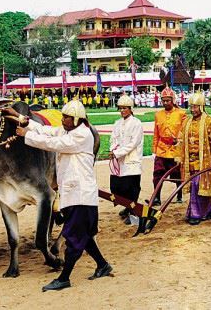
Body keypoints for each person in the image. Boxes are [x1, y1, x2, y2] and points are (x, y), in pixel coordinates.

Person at [14, 100, 112, 291]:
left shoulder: (82, 135)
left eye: (66, 118)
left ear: (76, 119)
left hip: (81, 195)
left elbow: (54, 143)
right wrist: (27, 123)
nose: (63, 120)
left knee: (74, 239)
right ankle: (102, 265)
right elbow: (49, 131)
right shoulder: (69, 130)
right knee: (84, 236)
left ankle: (64, 277)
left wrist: (27, 135)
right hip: (74, 194)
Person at [175, 91, 211, 225]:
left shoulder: (210, 122)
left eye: (195, 107)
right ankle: (208, 210)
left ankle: (196, 214)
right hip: (189, 161)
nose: (193, 109)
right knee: (194, 186)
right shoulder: (186, 122)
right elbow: (180, 140)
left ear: (202, 106)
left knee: (198, 185)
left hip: (205, 160)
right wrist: (178, 156)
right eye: (191, 106)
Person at [109, 94, 144, 225]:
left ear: (130, 108)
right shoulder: (117, 123)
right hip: (119, 161)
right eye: (120, 108)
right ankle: (127, 207)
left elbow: (133, 143)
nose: (122, 110)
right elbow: (113, 139)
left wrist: (117, 152)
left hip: (131, 162)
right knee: (117, 187)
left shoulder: (136, 123)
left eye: (125, 108)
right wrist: (113, 149)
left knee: (131, 188)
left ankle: (133, 213)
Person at [152, 86, 186, 205]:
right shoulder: (158, 114)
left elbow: (184, 130)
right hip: (161, 148)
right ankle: (156, 197)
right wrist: (154, 149)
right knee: (157, 173)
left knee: (177, 173)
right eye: (163, 101)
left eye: (168, 100)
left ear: (173, 100)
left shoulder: (181, 114)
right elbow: (156, 133)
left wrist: (179, 140)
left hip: (175, 148)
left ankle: (179, 194)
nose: (165, 103)